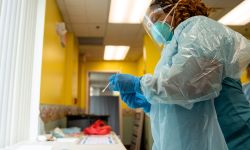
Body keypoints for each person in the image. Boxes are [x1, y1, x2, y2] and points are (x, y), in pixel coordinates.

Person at [109, 0, 250, 149]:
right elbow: (183, 100)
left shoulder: (199, 28)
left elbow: (188, 84)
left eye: (156, 18)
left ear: (176, 9)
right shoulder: (176, 44)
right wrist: (152, 105)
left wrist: (140, 84)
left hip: (234, 136)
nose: (154, 26)